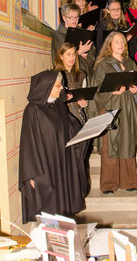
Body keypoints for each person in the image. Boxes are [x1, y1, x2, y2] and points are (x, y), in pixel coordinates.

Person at [19, 70, 88, 223]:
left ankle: (64, 240)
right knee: (49, 209)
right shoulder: (33, 110)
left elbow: (72, 128)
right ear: (47, 87)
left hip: (62, 163)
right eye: (58, 85)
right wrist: (32, 175)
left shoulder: (59, 106)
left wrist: (88, 132)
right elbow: (28, 144)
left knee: (63, 209)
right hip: (44, 168)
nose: (62, 89)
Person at [87, 32, 137, 194]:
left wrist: (136, 89)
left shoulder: (130, 62)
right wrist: (112, 92)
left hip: (127, 110)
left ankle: (129, 182)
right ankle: (109, 184)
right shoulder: (103, 65)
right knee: (109, 146)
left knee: (128, 142)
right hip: (110, 109)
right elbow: (96, 90)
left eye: (122, 42)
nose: (120, 44)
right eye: (117, 41)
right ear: (109, 45)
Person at [51, 3, 95, 77]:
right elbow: (60, 57)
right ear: (64, 18)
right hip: (68, 75)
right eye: (71, 17)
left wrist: (86, 56)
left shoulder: (83, 32)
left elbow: (92, 54)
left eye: (76, 17)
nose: (74, 20)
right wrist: (79, 52)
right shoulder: (57, 35)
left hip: (85, 72)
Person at [54, 42, 88, 124]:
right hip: (61, 118)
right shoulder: (54, 75)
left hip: (79, 117)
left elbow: (85, 95)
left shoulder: (81, 75)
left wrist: (84, 103)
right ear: (61, 56)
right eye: (68, 54)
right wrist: (63, 99)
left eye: (74, 54)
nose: (72, 57)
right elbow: (50, 100)